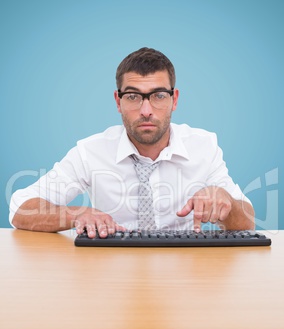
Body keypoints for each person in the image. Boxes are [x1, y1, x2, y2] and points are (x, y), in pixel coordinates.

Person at [9, 47, 255, 238]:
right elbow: (21, 208)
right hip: (112, 276)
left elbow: (247, 221)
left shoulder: (204, 146)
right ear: (118, 102)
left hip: (184, 276)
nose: (146, 110)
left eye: (159, 95)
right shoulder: (90, 151)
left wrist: (228, 204)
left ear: (174, 99)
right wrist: (77, 214)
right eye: (134, 96)